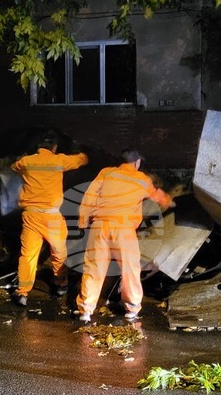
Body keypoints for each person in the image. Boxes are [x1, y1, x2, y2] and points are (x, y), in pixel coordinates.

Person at [75, 150, 174, 323]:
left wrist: (83, 222)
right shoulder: (142, 179)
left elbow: (89, 196)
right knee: (130, 269)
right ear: (136, 163)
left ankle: (85, 311)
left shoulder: (106, 173)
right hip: (123, 230)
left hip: (100, 227)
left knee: (94, 268)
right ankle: (132, 310)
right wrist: (170, 202)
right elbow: (158, 196)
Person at [10, 132, 88, 307]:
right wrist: (79, 150)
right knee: (58, 252)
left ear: (38, 148)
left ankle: (22, 292)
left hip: (30, 216)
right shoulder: (59, 160)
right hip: (51, 216)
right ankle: (61, 285)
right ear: (54, 148)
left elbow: (13, 166)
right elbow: (81, 160)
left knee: (28, 255)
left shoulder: (26, 162)